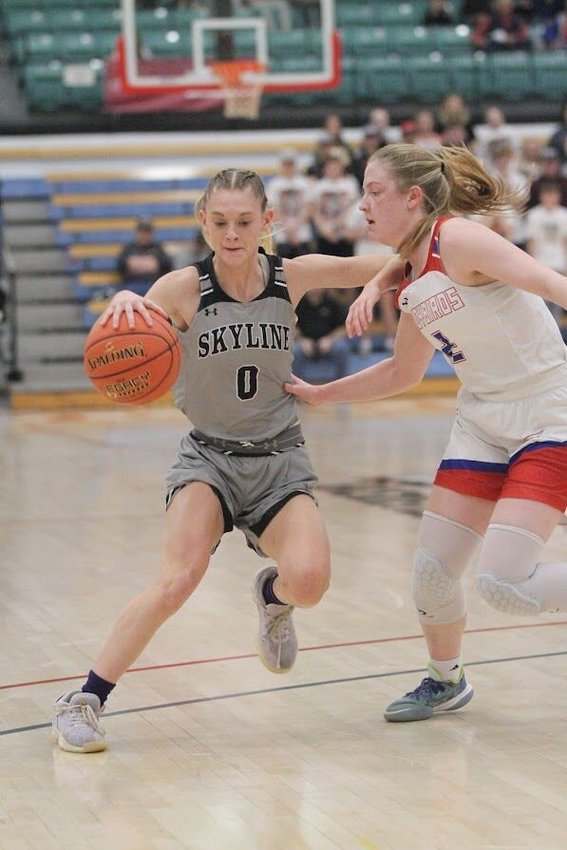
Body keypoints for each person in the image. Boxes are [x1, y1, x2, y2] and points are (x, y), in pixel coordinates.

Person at [51, 167, 395, 753]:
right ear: (203, 223)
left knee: (309, 582)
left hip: (281, 456)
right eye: (219, 222)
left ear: (267, 222)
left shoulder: (293, 275)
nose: (231, 233)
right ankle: (83, 699)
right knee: (178, 579)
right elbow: (123, 332)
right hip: (208, 459)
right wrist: (126, 298)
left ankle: (273, 599)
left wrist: (443, 253)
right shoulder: (179, 289)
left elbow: (380, 266)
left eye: (244, 222)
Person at [285, 143, 567, 723]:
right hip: (482, 420)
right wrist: (320, 394)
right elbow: (402, 372)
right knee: (433, 573)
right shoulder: (412, 271)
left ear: (413, 198)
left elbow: (551, 283)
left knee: (504, 583)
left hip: (547, 412)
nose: (362, 204)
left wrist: (377, 282)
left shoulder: (459, 238)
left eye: (374, 191)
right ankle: (446, 679)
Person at [116, 219, 174, 293]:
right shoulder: (129, 248)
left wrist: (137, 264)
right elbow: (120, 265)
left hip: (154, 285)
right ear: (137, 233)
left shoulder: (158, 248)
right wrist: (148, 264)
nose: (144, 235)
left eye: (147, 232)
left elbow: (167, 266)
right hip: (131, 286)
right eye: (142, 232)